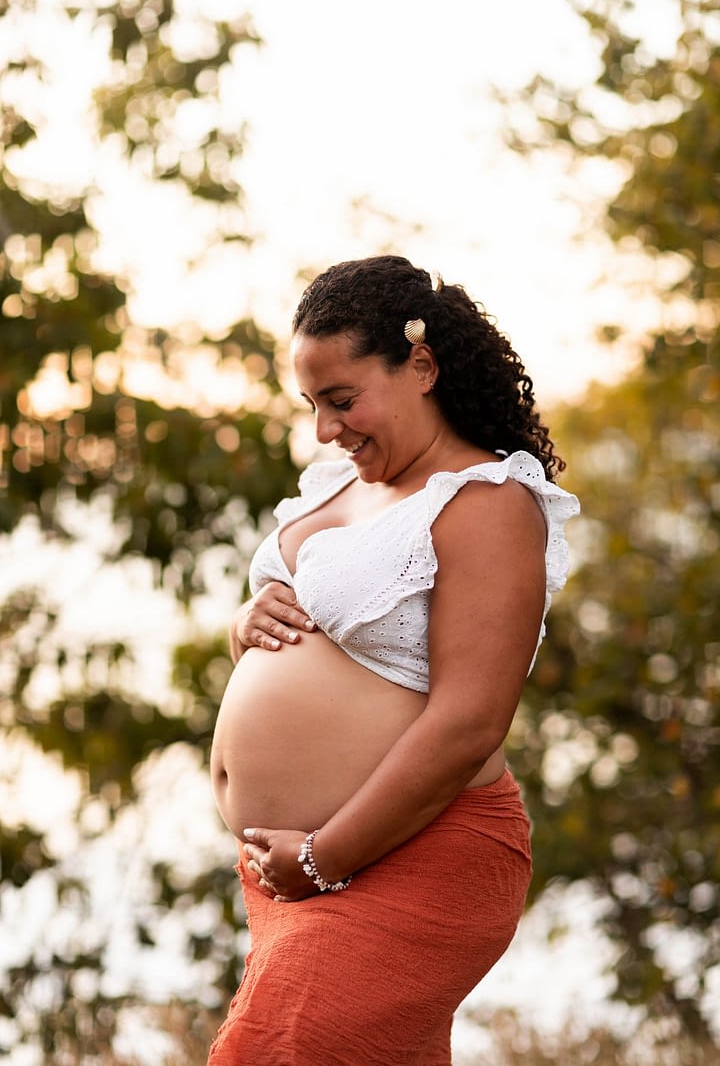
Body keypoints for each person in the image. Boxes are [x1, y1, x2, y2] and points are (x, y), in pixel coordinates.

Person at [207, 255, 580, 1065]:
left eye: (343, 400)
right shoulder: (335, 488)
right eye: (312, 405)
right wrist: (249, 623)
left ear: (421, 365)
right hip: (295, 875)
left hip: (408, 854)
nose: (326, 430)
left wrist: (323, 857)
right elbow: (332, 637)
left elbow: (471, 720)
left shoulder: (487, 503)